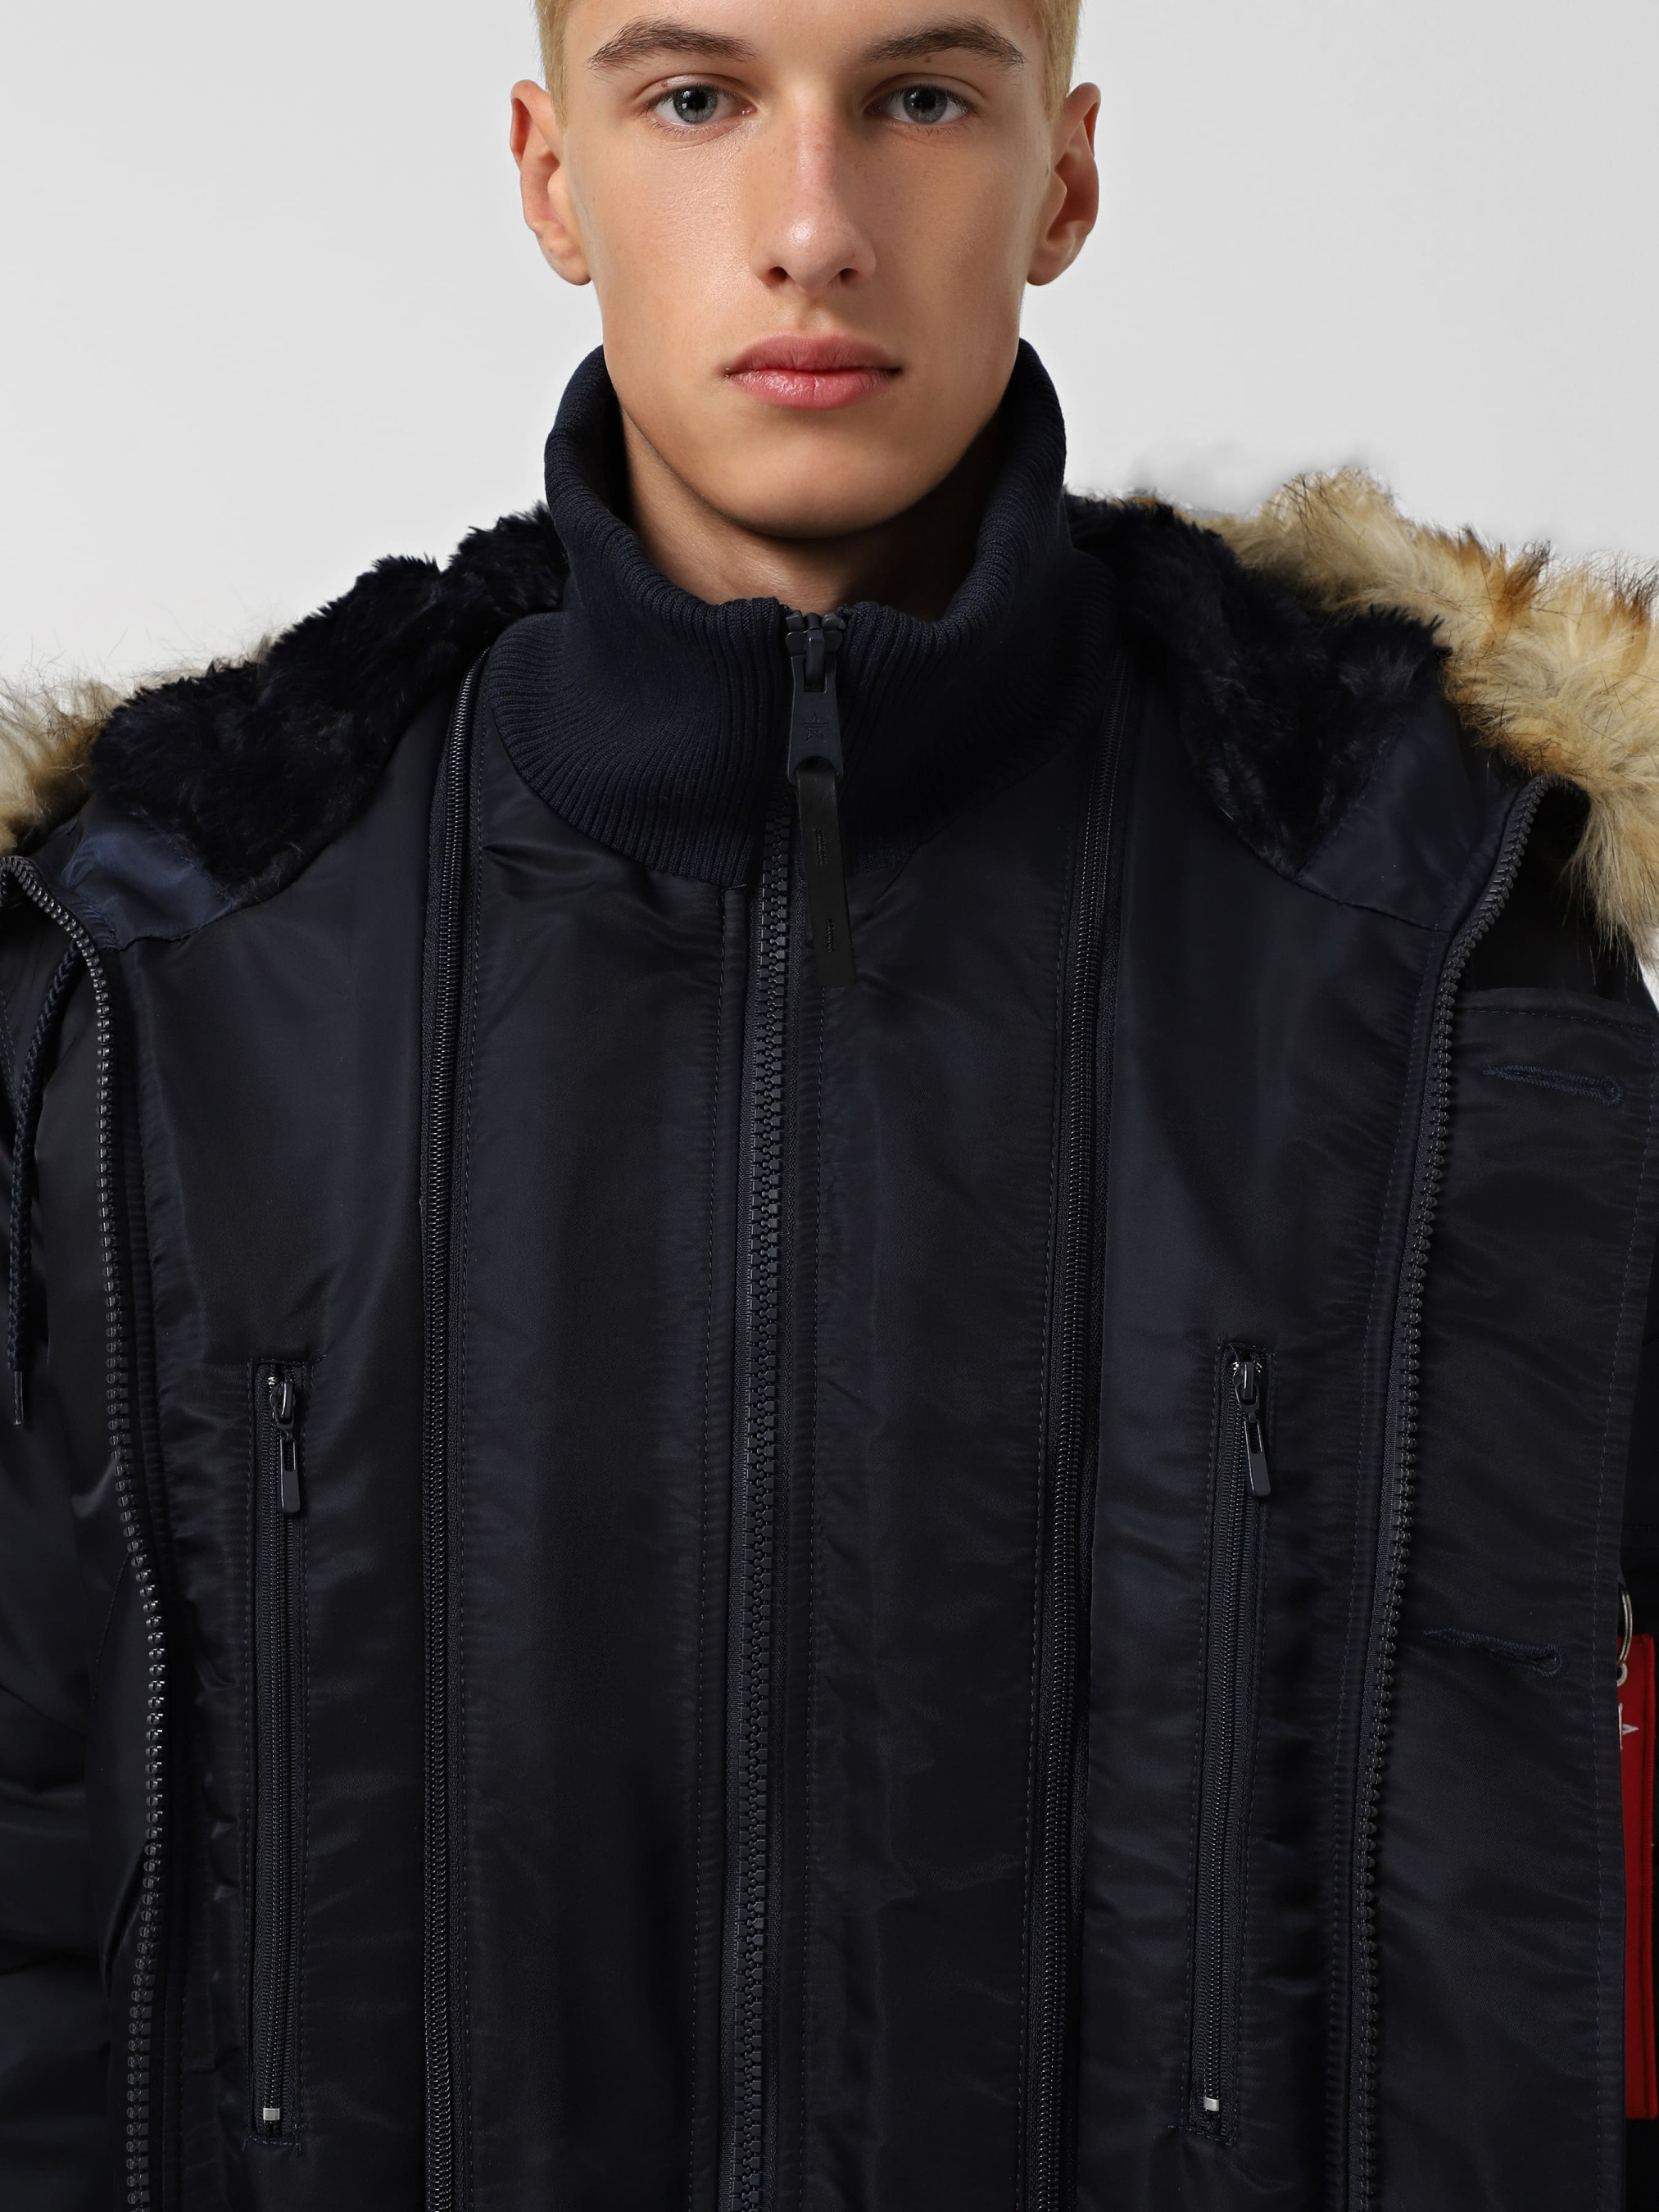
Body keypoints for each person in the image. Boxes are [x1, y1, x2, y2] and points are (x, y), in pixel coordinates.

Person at [2, 1, 1655, 2205]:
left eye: (920, 99)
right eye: (695, 99)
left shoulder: (1439, 940)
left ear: (1063, 177)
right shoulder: (167, 961)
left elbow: (1580, 1904)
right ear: (550, 175)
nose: (811, 224)